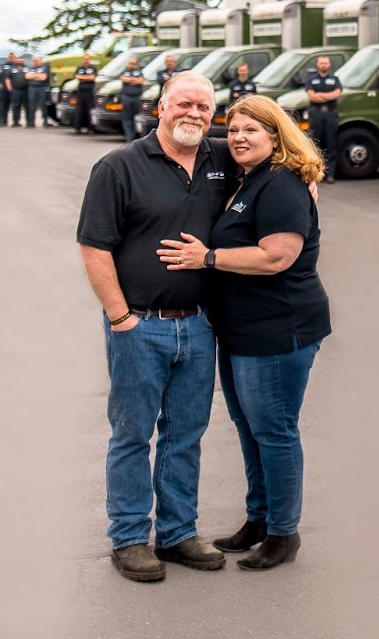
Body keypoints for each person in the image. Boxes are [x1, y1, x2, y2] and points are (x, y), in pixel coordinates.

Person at [159, 94, 328, 573]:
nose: (236, 138)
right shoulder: (248, 177)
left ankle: (283, 533)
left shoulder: (281, 185)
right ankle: (259, 519)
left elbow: (278, 255)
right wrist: (180, 120)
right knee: (249, 428)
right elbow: (202, 133)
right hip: (238, 330)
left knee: (273, 431)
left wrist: (207, 258)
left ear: (275, 137)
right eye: (231, 130)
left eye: (251, 131)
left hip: (277, 329)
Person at [75, 71, 230, 583]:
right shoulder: (119, 166)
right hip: (139, 326)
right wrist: (121, 317)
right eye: (184, 103)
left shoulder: (219, 158)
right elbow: (94, 247)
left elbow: (284, 155)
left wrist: (310, 176)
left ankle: (179, 532)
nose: (194, 113)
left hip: (201, 326)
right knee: (133, 433)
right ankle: (129, 538)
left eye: (204, 107)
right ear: (161, 106)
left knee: (186, 434)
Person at [304, 56, 341, 183]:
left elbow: (336, 94)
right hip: (316, 113)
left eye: (325, 63)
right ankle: (315, 174)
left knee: (331, 144)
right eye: (321, 63)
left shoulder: (334, 79)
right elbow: (311, 96)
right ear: (317, 65)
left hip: (330, 114)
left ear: (329, 64)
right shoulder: (311, 79)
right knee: (315, 144)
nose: (323, 65)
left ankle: (330, 174)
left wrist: (320, 95)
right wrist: (327, 97)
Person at [119, 54, 146, 142]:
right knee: (127, 118)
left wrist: (130, 80)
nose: (132, 65)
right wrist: (135, 80)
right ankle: (128, 137)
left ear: (136, 64)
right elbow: (123, 79)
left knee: (136, 117)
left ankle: (135, 136)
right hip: (126, 97)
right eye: (131, 63)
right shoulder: (124, 71)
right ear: (128, 64)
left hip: (136, 97)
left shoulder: (139, 72)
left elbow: (141, 81)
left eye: (134, 63)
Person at [73, 53, 99, 135]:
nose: (86, 61)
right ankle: (77, 128)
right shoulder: (79, 68)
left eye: (87, 59)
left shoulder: (93, 68)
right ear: (83, 60)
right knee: (79, 110)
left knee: (90, 110)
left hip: (90, 92)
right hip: (81, 92)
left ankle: (90, 128)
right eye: (85, 59)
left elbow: (92, 77)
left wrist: (83, 77)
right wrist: (87, 77)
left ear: (89, 60)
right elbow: (77, 76)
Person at [5, 53, 29, 127]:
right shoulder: (12, 68)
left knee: (27, 107)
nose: (20, 61)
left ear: (23, 61)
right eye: (19, 60)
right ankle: (16, 122)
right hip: (15, 90)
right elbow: (7, 79)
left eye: (21, 60)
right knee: (15, 106)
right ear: (16, 60)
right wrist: (10, 89)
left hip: (25, 90)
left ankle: (29, 122)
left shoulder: (27, 68)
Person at [27, 55, 51, 129]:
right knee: (32, 105)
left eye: (37, 61)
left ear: (40, 61)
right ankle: (31, 122)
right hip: (32, 88)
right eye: (34, 61)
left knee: (43, 105)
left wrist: (33, 76)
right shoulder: (30, 68)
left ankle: (45, 121)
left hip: (41, 88)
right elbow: (27, 77)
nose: (36, 62)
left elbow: (44, 77)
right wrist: (38, 76)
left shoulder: (43, 68)